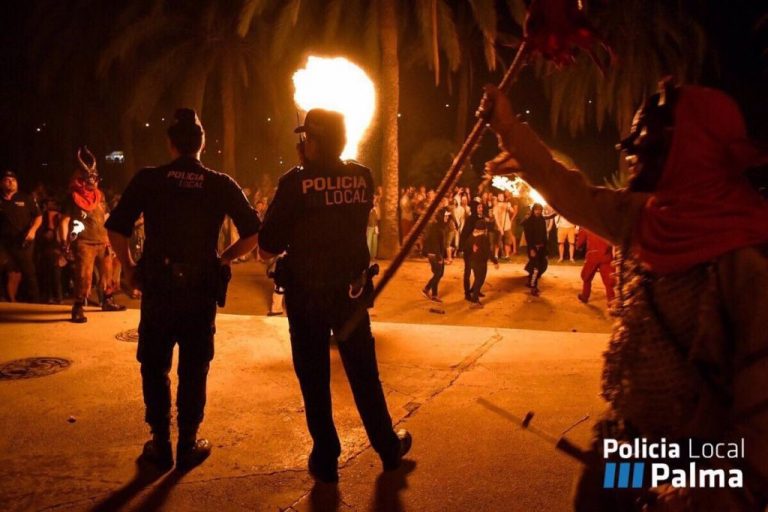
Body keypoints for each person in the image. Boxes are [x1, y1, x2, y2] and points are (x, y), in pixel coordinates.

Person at [484, 80, 768, 511]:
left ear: (694, 149)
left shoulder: (746, 263)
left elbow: (762, 425)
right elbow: (570, 193)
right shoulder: (642, 217)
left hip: (702, 458)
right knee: (597, 498)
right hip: (632, 446)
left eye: (647, 139)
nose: (628, 147)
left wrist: (694, 501)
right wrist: (508, 127)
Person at [258, 108, 411, 483]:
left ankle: (326, 456)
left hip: (307, 297)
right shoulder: (362, 176)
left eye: (306, 138)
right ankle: (387, 447)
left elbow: (267, 244)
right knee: (364, 374)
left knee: (314, 377)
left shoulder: (295, 182)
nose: (302, 144)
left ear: (314, 141)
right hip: (350, 294)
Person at [106, 108, 261, 471]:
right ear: (201, 144)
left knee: (154, 365)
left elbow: (117, 228)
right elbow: (254, 232)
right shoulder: (219, 183)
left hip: (159, 289)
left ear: (171, 143)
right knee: (194, 366)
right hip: (199, 292)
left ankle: (160, 444)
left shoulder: (149, 179)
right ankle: (188, 443)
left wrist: (129, 268)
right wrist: (223, 258)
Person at [60, 148, 125, 322]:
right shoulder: (72, 197)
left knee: (107, 274)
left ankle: (107, 301)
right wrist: (64, 243)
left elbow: (106, 216)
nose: (94, 181)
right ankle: (78, 307)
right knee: (84, 275)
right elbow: (64, 221)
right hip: (84, 243)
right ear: (81, 180)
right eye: (90, 178)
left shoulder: (101, 196)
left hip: (102, 241)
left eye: (96, 178)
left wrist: (111, 238)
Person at [0, 170, 41, 302]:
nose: (10, 182)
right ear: (1, 183)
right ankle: (5, 300)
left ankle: (35, 302)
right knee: (4, 269)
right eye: (7, 179)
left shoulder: (25, 198)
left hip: (24, 241)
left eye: (13, 180)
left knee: (29, 271)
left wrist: (33, 230)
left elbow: (38, 216)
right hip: (4, 243)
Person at [466, 202, 499, 307]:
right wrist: (495, 261)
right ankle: (474, 300)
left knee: (477, 279)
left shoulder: (472, 236)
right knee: (480, 279)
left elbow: (467, 248)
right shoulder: (483, 238)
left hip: (473, 261)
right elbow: (488, 251)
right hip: (480, 262)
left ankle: (473, 292)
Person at [577, 228, 615, 306]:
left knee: (587, 276)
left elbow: (580, 241)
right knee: (609, 280)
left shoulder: (587, 224)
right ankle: (611, 300)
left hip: (592, 254)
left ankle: (585, 296)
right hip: (606, 255)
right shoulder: (606, 225)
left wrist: (578, 245)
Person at [422, 206, 450, 302]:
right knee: (438, 273)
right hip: (434, 254)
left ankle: (431, 292)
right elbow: (435, 243)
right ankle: (429, 291)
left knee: (438, 273)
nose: (447, 218)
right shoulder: (436, 227)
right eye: (445, 216)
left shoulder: (440, 226)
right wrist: (439, 256)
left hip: (436, 253)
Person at [522, 203, 549, 296]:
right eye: (536, 210)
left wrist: (545, 249)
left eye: (540, 210)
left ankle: (530, 281)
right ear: (533, 210)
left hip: (541, 248)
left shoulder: (542, 220)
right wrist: (531, 249)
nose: (538, 211)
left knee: (541, 266)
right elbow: (528, 237)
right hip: (533, 248)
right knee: (536, 268)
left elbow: (544, 235)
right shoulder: (529, 221)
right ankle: (533, 287)